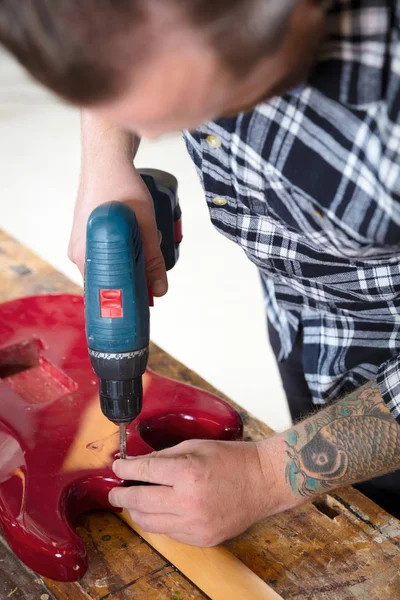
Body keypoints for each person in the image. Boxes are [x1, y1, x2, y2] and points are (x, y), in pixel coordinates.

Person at [1, 0, 400, 548]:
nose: (151, 131)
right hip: (304, 325)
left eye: (191, 103)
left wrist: (268, 476)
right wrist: (105, 158)